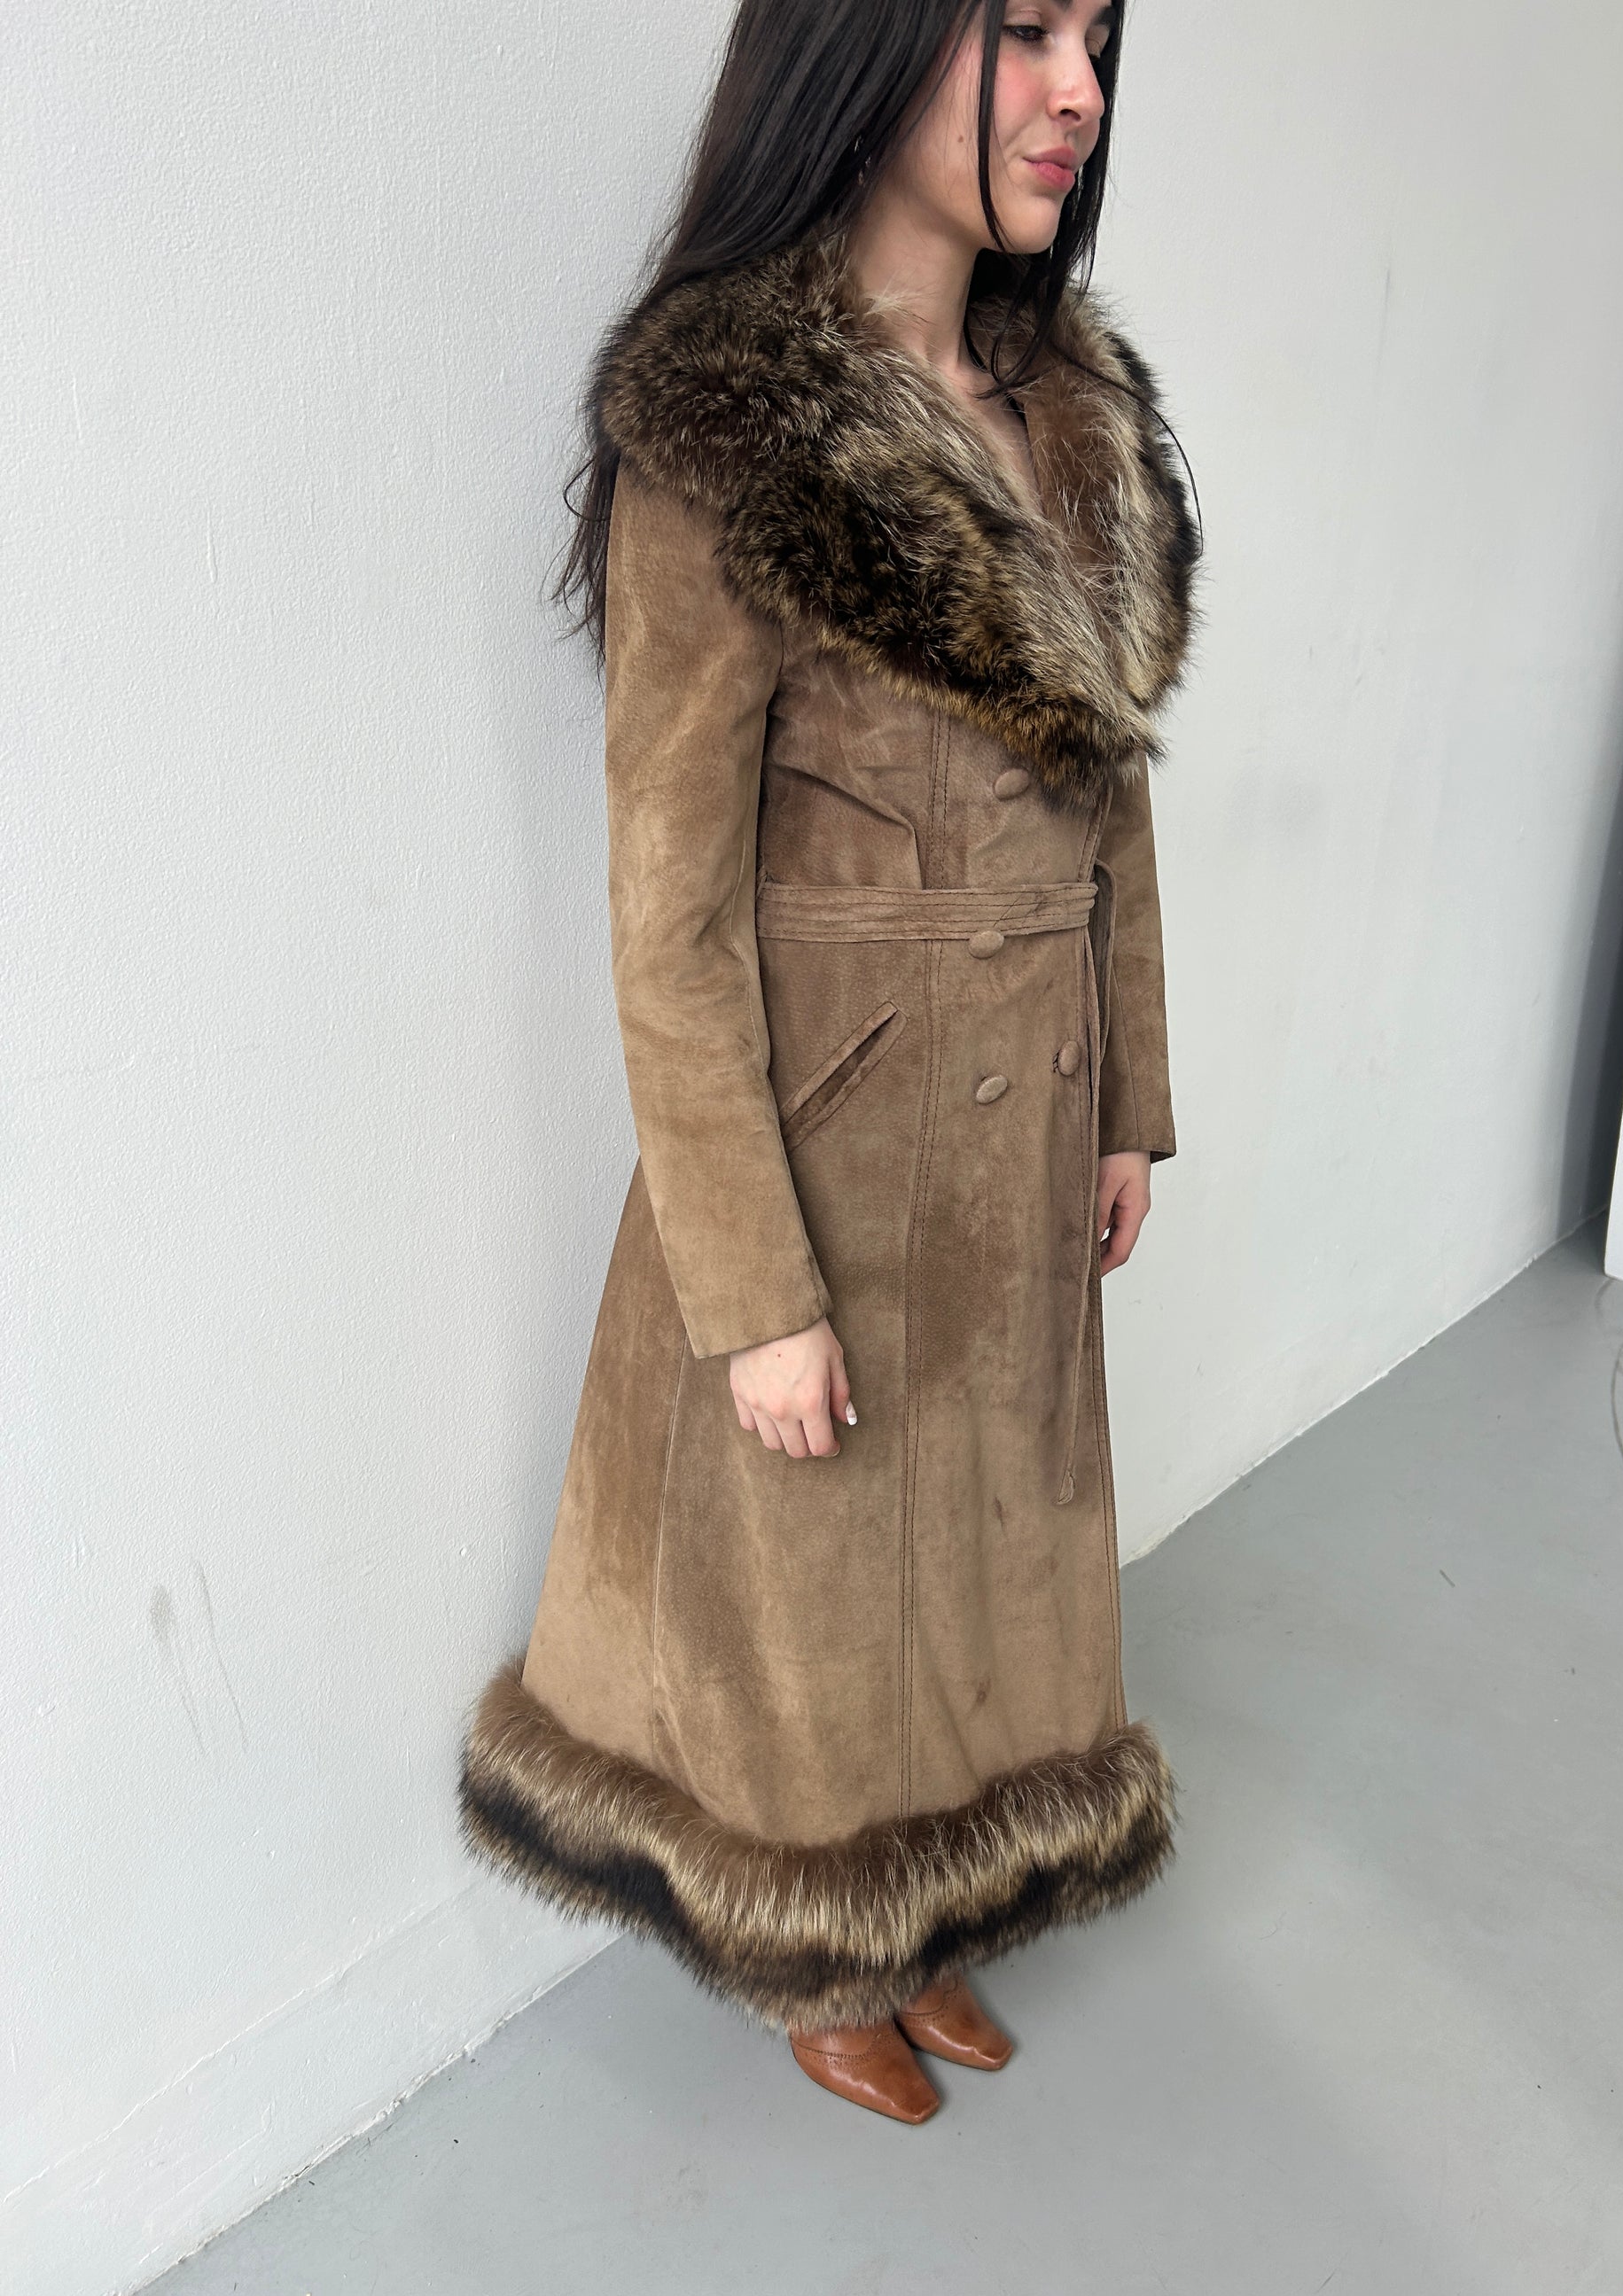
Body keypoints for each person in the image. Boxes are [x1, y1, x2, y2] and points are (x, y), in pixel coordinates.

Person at [458, 0, 1201, 2125]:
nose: (1078, 90)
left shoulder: (1067, 410)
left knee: (988, 1541)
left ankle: (937, 1898)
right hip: (831, 1134)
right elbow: (669, 911)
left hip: (1025, 1116)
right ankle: (826, 1943)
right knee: (820, 1567)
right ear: (864, 49)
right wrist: (751, 1288)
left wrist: (1128, 1094)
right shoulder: (729, 434)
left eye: (1098, 36)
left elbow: (1108, 793)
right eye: (1024, 30)